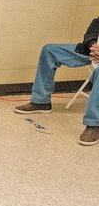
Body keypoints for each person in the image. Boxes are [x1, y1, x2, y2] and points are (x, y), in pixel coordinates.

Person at [14, 18, 99, 146]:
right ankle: (41, 102)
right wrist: (92, 45)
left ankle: (93, 124)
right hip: (93, 53)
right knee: (49, 50)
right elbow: (91, 33)